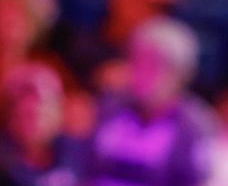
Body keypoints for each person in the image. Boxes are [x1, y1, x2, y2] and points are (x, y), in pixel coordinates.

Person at [83, 17, 214, 186]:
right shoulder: (110, 107)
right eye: (136, 61)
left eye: (151, 65)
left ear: (178, 74)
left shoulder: (193, 125)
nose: (139, 74)